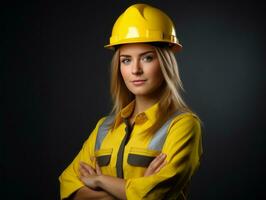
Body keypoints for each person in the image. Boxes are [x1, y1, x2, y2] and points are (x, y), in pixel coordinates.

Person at [59, 3, 203, 200]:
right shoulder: (104, 128)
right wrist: (136, 189)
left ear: (165, 62)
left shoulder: (183, 125)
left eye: (147, 58)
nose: (135, 69)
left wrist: (100, 181)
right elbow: (68, 190)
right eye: (126, 60)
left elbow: (157, 195)